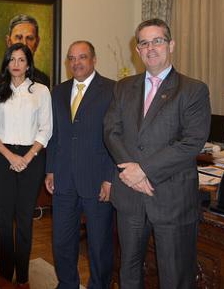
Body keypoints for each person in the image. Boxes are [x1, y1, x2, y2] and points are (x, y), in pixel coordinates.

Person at [104, 18, 211, 289]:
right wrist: (132, 174)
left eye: (157, 41)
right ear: (137, 50)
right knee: (128, 271)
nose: (151, 48)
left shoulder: (193, 89)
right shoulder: (122, 87)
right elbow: (111, 132)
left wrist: (144, 170)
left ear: (171, 45)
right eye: (144, 43)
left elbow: (192, 142)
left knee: (175, 276)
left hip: (172, 199)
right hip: (130, 197)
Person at [45, 41, 115, 289]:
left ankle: (99, 285)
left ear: (94, 59)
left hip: (97, 180)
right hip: (63, 178)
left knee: (99, 244)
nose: (76, 63)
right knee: (62, 242)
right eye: (72, 58)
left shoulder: (112, 90)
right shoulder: (59, 91)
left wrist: (110, 178)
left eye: (82, 57)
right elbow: (54, 134)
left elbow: (116, 138)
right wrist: (50, 169)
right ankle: (67, 284)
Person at [0, 43, 52, 287]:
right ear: (6, 63)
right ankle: (5, 276)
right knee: (3, 220)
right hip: (1, 157)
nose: (16, 64)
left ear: (28, 64)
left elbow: (46, 128)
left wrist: (26, 157)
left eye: (21, 60)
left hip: (32, 159)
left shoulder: (41, 91)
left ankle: (23, 277)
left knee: (25, 219)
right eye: (12, 59)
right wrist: (10, 156)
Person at [5, 14, 50, 87]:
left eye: (29, 38)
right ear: (8, 42)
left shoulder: (43, 82)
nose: (24, 43)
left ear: (37, 43)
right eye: (19, 37)